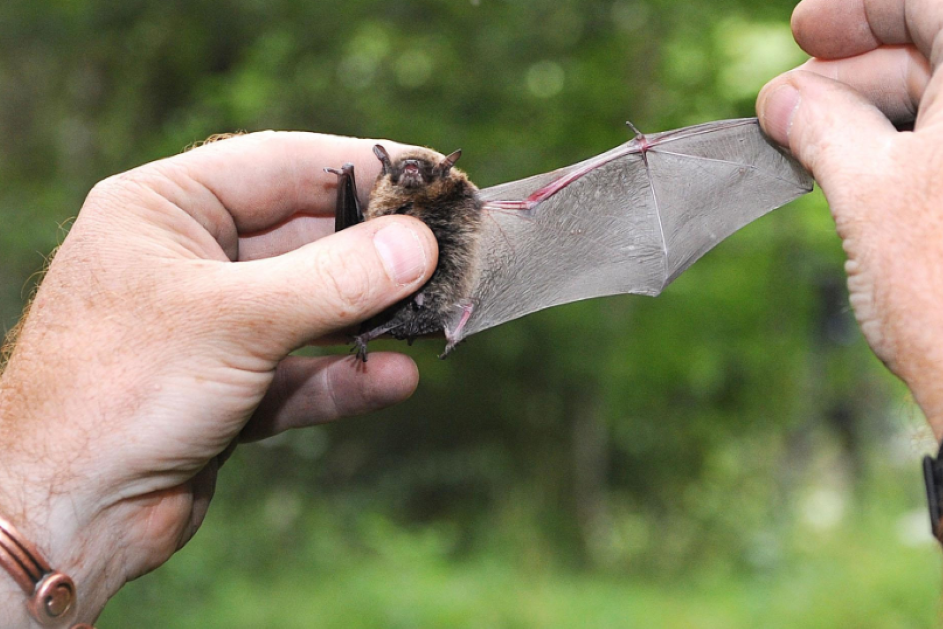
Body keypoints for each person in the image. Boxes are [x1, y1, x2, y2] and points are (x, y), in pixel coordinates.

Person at [0, 0, 940, 624]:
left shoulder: (481, 209)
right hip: (396, 318)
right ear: (380, 192)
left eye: (420, 171)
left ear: (441, 176)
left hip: (453, 294)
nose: (406, 179)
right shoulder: (363, 213)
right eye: (394, 177)